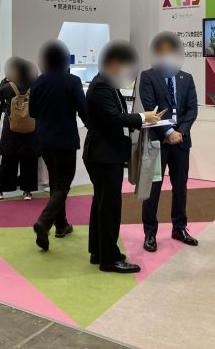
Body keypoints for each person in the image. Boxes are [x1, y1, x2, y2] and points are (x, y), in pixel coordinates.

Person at [84, 40, 161, 273]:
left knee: (101, 204)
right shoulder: (101, 86)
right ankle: (109, 258)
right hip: (104, 155)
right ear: (114, 63)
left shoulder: (107, 83)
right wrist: (143, 118)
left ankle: (99, 251)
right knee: (109, 207)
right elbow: (114, 118)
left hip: (105, 153)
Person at [138, 32, 199, 252]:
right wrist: (168, 131)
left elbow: (192, 109)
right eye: (162, 51)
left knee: (180, 187)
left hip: (181, 142)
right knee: (152, 188)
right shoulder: (148, 76)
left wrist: (180, 132)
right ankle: (150, 233)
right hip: (157, 141)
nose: (167, 55)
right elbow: (150, 108)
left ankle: (179, 228)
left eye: (171, 51)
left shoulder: (186, 78)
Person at [29, 40, 87, 251]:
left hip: (44, 140)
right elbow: (83, 110)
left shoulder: (38, 82)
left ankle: (61, 224)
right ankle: (44, 222)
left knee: (55, 182)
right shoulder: (73, 81)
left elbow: (32, 112)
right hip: (65, 139)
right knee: (63, 184)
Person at [0, 57, 39, 200]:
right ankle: (27, 191)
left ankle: (0, 191)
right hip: (31, 129)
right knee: (29, 160)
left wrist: (5, 81)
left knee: (8, 160)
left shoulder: (9, 86)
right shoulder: (35, 86)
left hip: (11, 129)